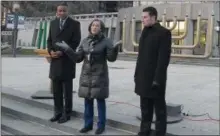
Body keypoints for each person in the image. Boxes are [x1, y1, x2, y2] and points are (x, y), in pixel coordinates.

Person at [56, 19, 119, 134]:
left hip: (99, 75)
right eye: (93, 25)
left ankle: (101, 125)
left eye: (97, 25)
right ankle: (88, 124)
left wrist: (114, 50)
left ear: (101, 28)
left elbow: (111, 59)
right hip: (86, 76)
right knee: (87, 101)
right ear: (90, 28)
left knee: (100, 101)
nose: (94, 27)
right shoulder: (85, 41)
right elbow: (77, 58)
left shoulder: (106, 41)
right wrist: (68, 49)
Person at [134, 7, 172, 136]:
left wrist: (157, 79)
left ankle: (160, 133)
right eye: (142, 17)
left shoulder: (164, 33)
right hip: (143, 78)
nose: (142, 20)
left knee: (159, 110)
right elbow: (141, 57)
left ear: (153, 17)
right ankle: (144, 131)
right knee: (145, 108)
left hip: (156, 79)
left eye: (145, 17)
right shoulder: (144, 32)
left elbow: (163, 60)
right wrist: (136, 74)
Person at [47, 2, 81, 124]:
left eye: (64, 10)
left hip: (67, 61)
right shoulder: (53, 23)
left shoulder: (75, 24)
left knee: (67, 91)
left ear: (67, 11)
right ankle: (57, 112)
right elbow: (49, 40)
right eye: (59, 10)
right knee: (56, 91)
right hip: (55, 62)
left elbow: (75, 42)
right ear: (57, 11)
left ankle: (67, 114)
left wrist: (63, 52)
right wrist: (51, 51)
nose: (61, 13)